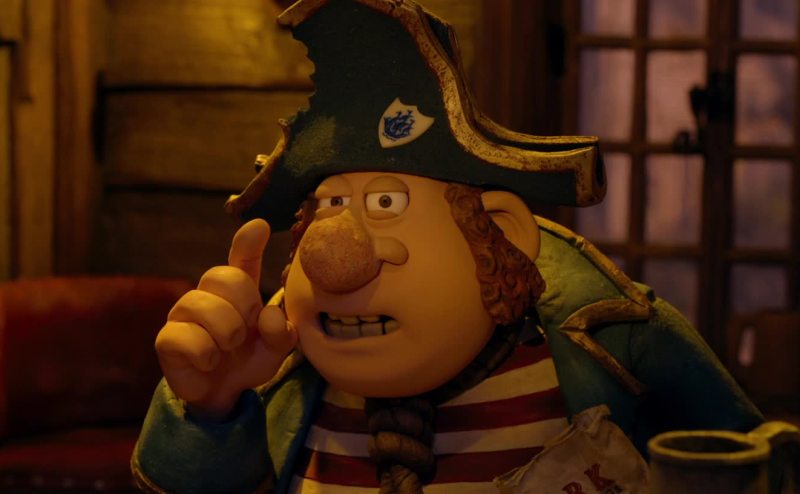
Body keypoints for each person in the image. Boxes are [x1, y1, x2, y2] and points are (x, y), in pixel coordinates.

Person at [132, 1, 763, 493]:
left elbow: (758, 468)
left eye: (386, 204)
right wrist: (211, 414)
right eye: (328, 206)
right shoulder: (280, 367)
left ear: (501, 232)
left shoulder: (617, 343)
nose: (333, 256)